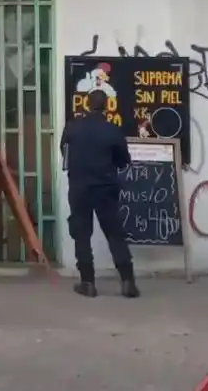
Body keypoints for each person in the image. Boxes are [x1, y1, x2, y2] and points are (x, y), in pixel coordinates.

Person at [60, 89, 140, 299]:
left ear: (87, 104)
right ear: (106, 106)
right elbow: (124, 161)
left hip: (80, 187)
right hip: (106, 187)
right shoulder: (112, 130)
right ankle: (128, 281)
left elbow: (64, 154)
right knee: (115, 235)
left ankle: (88, 283)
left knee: (82, 235)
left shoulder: (73, 128)